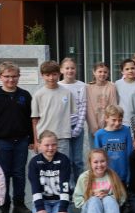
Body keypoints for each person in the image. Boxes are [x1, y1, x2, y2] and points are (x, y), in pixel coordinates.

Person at [0, 61, 33, 213]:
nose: (11, 80)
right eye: (7, 77)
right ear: (0, 77)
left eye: (14, 76)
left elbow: (31, 119)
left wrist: (32, 139)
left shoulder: (25, 96)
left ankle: (19, 205)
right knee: (3, 175)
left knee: (19, 174)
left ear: (19, 77)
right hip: (1, 143)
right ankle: (3, 207)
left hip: (21, 142)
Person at [73, 148, 128, 213]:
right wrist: (93, 197)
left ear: (107, 161)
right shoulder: (84, 177)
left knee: (108, 199)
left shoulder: (112, 176)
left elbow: (122, 198)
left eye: (102, 161)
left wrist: (108, 196)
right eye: (96, 162)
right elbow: (77, 200)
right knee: (94, 200)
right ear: (90, 163)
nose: (99, 165)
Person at [27, 130, 71, 213]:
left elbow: (65, 185)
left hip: (59, 200)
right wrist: (40, 208)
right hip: (43, 201)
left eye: (53, 145)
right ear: (39, 145)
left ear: (57, 145)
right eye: (47, 145)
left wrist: (63, 209)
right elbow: (35, 187)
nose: (50, 148)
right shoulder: (34, 162)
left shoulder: (63, 159)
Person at [31, 60, 74, 157]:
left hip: (62, 137)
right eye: (47, 75)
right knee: (45, 167)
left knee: (63, 165)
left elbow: (71, 114)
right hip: (44, 138)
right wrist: (35, 140)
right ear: (42, 75)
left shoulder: (67, 93)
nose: (51, 78)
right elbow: (35, 120)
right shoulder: (38, 95)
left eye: (54, 74)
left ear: (59, 74)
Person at [59, 57, 87, 186]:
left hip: (77, 126)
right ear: (61, 70)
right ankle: (70, 187)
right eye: (67, 68)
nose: (70, 70)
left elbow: (83, 107)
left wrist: (78, 128)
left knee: (77, 160)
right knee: (67, 159)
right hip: (62, 128)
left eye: (72, 68)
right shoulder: (58, 86)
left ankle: (80, 186)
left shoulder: (82, 86)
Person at [93, 105, 134, 184]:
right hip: (107, 176)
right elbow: (97, 158)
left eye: (120, 120)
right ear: (106, 118)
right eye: (114, 120)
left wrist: (129, 175)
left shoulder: (126, 131)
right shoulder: (99, 134)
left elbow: (130, 154)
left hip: (123, 176)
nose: (117, 123)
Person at [86, 62, 118, 137]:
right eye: (100, 71)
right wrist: (94, 128)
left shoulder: (111, 86)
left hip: (109, 126)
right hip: (93, 126)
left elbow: (113, 106)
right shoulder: (88, 87)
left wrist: (109, 125)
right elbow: (89, 109)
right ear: (94, 72)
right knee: (95, 148)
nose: (102, 74)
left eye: (105, 72)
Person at [114, 58, 135, 127]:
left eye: (132, 68)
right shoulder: (117, 84)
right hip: (122, 120)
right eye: (127, 69)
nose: (130, 71)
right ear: (122, 71)